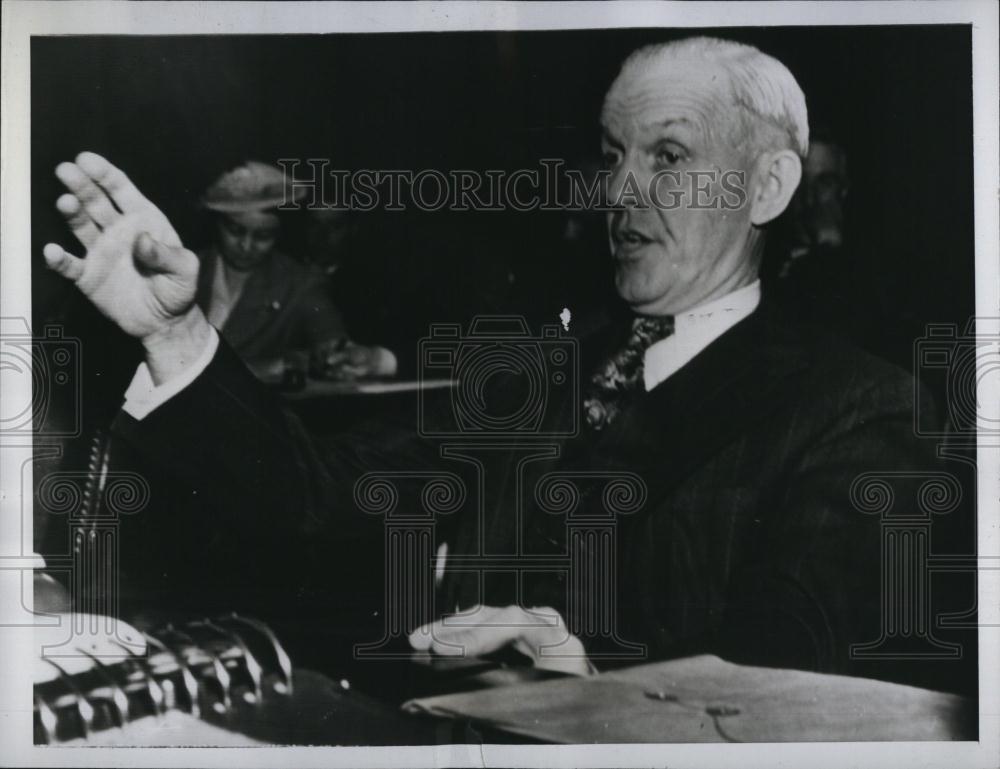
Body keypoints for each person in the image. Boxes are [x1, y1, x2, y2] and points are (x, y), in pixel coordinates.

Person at [42, 37, 947, 688]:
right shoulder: (540, 365)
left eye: (668, 156)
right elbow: (320, 495)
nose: (618, 190)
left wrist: (589, 671)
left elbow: (796, 691)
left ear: (768, 187)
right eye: (612, 156)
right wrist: (175, 334)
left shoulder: (858, 411)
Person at [199, 160, 398, 381]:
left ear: (279, 233)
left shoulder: (300, 283)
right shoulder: (187, 268)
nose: (246, 246)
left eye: (263, 236)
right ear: (217, 223)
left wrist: (343, 356)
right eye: (235, 231)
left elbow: (330, 338)